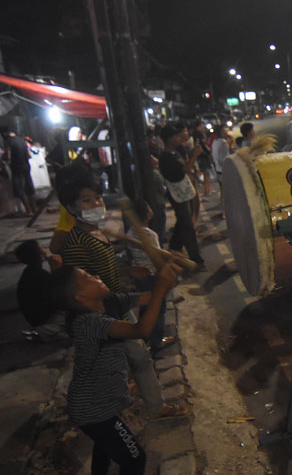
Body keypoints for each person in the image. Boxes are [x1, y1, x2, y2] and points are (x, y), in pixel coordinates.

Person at [48, 260, 180, 475]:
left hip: (96, 404)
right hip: (93, 409)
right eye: (87, 275)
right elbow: (140, 330)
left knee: (105, 441)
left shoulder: (107, 302)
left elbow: (145, 298)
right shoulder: (89, 323)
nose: (95, 275)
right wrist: (162, 287)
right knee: (135, 458)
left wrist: (162, 282)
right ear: (80, 297)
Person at [54, 164, 185, 419]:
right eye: (86, 200)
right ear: (71, 207)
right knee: (139, 357)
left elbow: (102, 270)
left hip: (116, 305)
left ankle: (125, 392)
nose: (95, 205)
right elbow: (81, 286)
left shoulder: (97, 233)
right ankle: (154, 407)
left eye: (97, 198)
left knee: (129, 357)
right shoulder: (76, 244)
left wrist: (127, 272)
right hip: (104, 314)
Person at [126, 197, 178, 356]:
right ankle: (157, 340)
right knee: (158, 308)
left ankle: (145, 336)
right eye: (149, 209)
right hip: (151, 277)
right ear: (148, 215)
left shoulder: (129, 233)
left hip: (139, 277)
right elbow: (157, 259)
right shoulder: (150, 235)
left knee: (145, 305)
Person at [158, 124, 205, 269]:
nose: (180, 138)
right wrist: (195, 155)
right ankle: (196, 260)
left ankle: (174, 247)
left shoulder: (174, 152)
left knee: (183, 222)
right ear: (169, 139)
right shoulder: (166, 157)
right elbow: (184, 170)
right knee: (188, 227)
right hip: (176, 194)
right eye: (176, 136)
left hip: (183, 193)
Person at [2, 127, 37, 215]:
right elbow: (29, 155)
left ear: (4, 134)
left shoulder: (8, 141)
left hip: (17, 167)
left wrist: (4, 158)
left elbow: (8, 156)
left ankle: (28, 210)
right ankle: (35, 208)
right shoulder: (22, 140)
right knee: (29, 187)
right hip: (26, 166)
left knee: (20, 188)